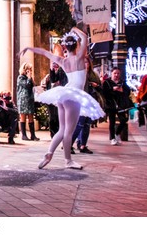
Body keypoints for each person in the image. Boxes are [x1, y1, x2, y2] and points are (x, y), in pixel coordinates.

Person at [20, 27, 104, 170]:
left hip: (63, 95)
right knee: (68, 132)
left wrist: (29, 48)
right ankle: (68, 160)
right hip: (73, 96)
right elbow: (84, 37)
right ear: (76, 46)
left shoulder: (63, 61)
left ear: (65, 47)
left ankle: (49, 153)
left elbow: (45, 53)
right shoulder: (79, 58)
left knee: (62, 129)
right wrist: (74, 29)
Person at [72, 57, 103, 154]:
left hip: (91, 101)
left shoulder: (93, 75)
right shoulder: (79, 75)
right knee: (79, 124)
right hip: (81, 101)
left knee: (87, 124)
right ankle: (69, 144)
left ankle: (83, 145)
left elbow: (100, 88)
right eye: (83, 62)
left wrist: (96, 85)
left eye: (87, 62)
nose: (86, 64)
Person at [102, 67, 132, 146]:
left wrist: (122, 91)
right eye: (115, 73)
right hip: (111, 104)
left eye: (118, 73)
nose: (116, 75)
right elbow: (104, 92)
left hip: (120, 105)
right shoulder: (107, 82)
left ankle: (117, 133)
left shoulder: (122, 82)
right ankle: (112, 138)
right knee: (112, 122)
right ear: (111, 73)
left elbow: (128, 91)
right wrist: (113, 89)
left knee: (124, 119)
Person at [16, 63, 39, 141]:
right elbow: (26, 85)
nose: (30, 71)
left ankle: (33, 135)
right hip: (23, 100)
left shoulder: (29, 78)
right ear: (24, 70)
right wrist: (29, 78)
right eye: (28, 70)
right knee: (23, 116)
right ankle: (24, 135)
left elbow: (33, 85)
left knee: (31, 116)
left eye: (30, 70)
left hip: (29, 99)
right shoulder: (20, 77)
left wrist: (31, 78)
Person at [45, 61, 67, 138]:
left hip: (66, 95)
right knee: (54, 117)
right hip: (54, 97)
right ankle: (55, 135)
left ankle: (64, 138)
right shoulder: (60, 70)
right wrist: (51, 70)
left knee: (63, 118)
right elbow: (53, 79)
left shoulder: (68, 68)